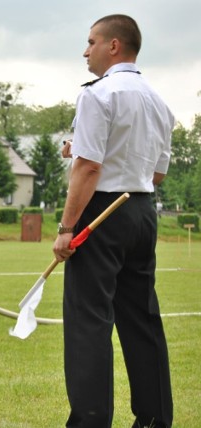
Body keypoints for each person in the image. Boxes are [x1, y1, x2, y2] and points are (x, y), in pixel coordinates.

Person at [53, 15, 174, 428]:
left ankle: (90, 421)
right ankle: (155, 418)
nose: (85, 51)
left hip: (101, 212)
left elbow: (88, 168)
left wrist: (66, 228)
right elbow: (157, 174)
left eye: (91, 42)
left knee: (89, 322)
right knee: (142, 319)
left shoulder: (98, 94)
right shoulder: (159, 102)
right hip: (142, 211)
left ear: (114, 46)